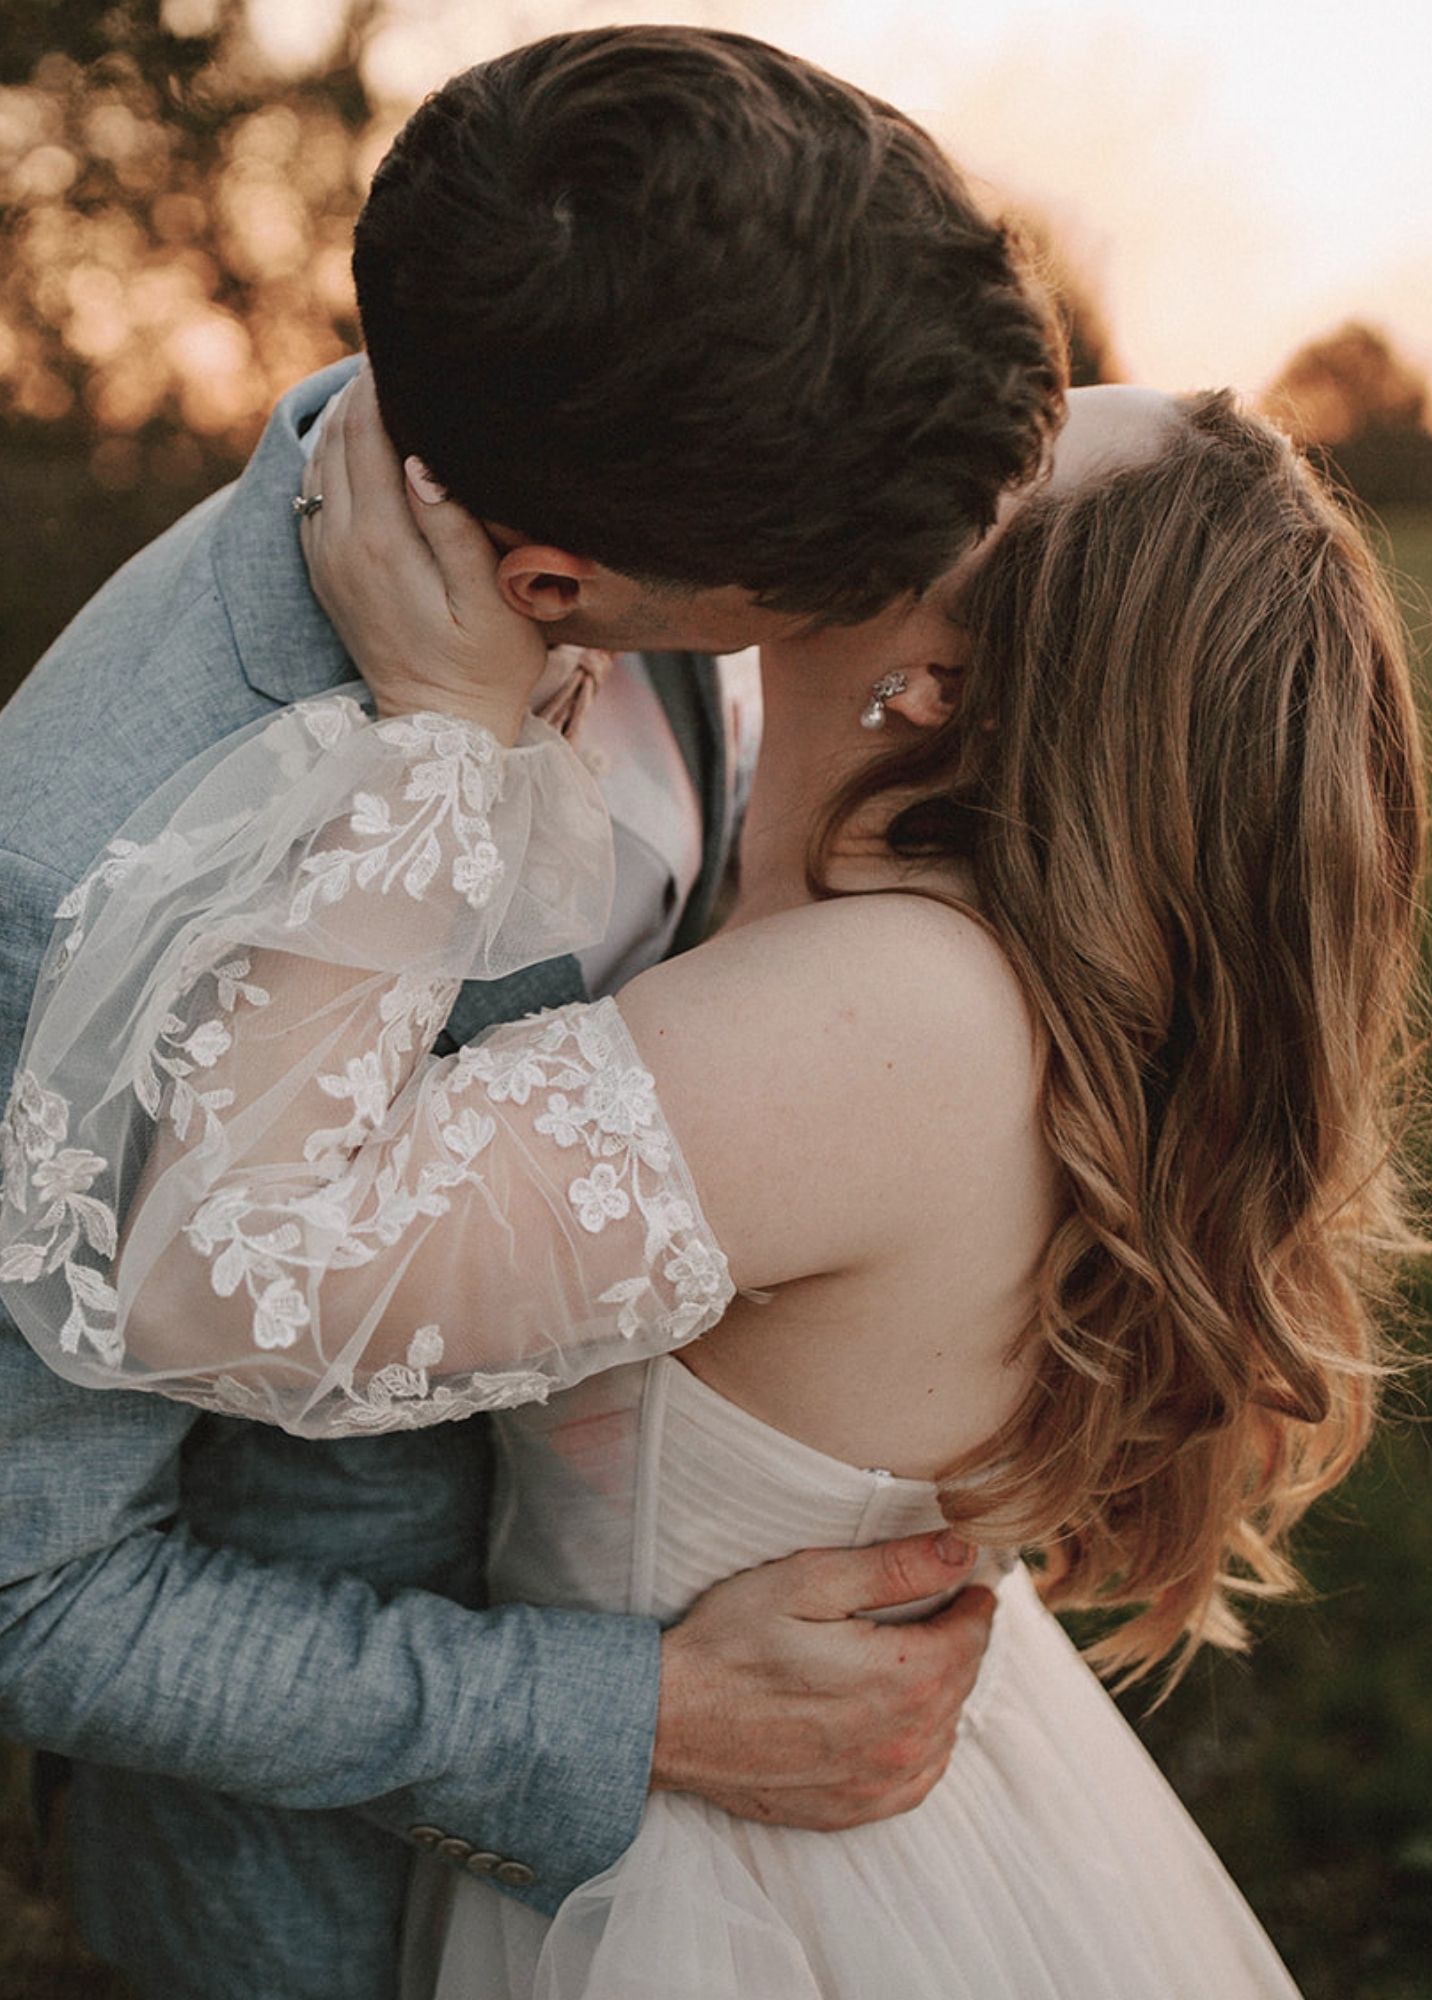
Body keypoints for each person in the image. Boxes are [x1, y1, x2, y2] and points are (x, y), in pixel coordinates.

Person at [0, 374, 1432, 1998]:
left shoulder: (886, 1011)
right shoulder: (934, 949)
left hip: (714, 1886)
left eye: (1001, 470)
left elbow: (225, 1272)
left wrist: (441, 743)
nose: (929, 442)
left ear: (940, 682)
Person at [0, 28, 1064, 1999]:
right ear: (562, 578)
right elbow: (32, 1596)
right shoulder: (67, 870)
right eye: (799, 598)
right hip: (331, 1909)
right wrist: (636, 1713)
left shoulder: (653, 465)